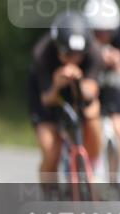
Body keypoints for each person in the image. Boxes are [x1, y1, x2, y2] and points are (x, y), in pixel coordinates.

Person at [27, 11, 103, 193]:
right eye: (68, 54)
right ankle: (48, 190)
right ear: (58, 48)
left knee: (93, 115)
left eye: (78, 55)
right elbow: (47, 98)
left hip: (78, 88)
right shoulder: (42, 53)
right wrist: (57, 84)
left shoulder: (94, 52)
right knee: (50, 149)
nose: (73, 59)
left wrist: (78, 82)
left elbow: (92, 90)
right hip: (46, 96)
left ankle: (91, 165)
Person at [83, 0, 120, 179]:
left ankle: (115, 177)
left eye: (107, 32)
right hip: (90, 82)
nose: (103, 36)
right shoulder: (81, 36)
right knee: (90, 126)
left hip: (112, 83)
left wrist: (117, 62)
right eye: (98, 32)